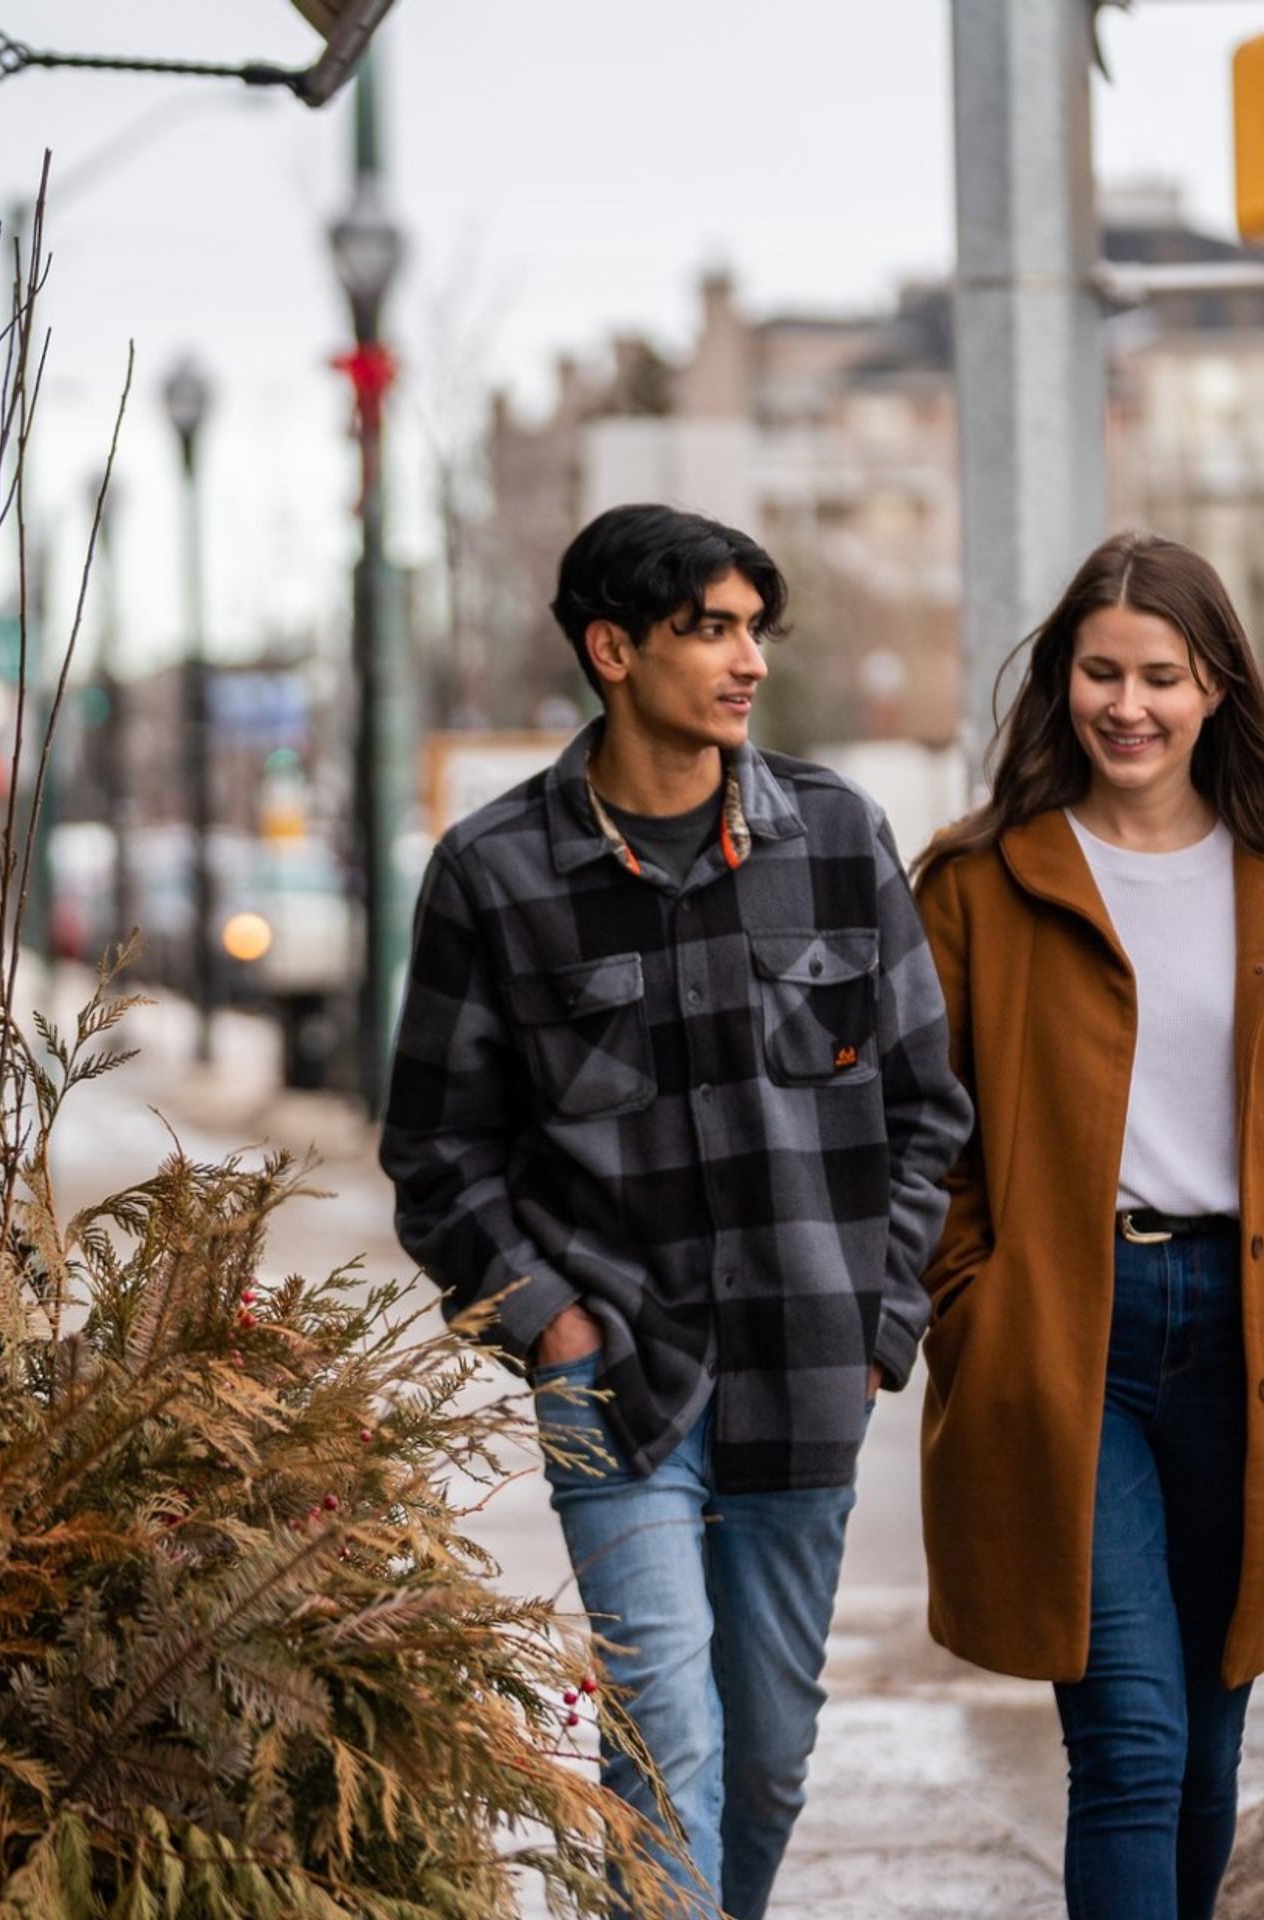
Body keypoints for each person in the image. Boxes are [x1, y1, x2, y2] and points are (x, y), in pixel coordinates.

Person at [380, 502, 971, 1919]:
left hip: (804, 1372)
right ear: (613, 648)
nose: (746, 660)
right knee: (669, 1745)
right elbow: (437, 1154)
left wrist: (882, 1320)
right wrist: (553, 1328)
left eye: (754, 628)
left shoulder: (834, 836)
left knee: (765, 1759)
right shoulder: (496, 875)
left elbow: (925, 1111)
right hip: (619, 1387)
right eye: (710, 628)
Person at [911, 529, 1264, 1920]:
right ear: (1060, 682)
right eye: (1098, 672)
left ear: (1216, 693)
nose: (1126, 705)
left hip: (1262, 1338)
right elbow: (921, 1133)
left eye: (1161, 676)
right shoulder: (978, 878)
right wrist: (978, 1304)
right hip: (1070, 1346)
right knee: (1129, 1743)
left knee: (1206, 1754)